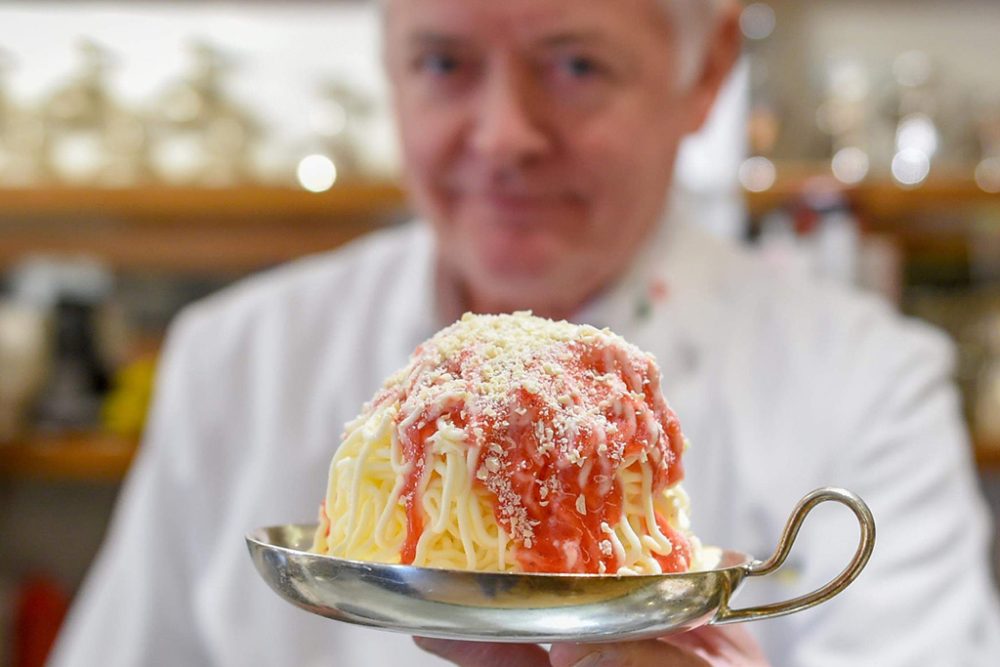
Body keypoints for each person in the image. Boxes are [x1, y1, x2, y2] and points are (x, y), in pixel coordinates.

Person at [50, 0, 1000, 665]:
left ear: (704, 71)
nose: (504, 135)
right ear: (388, 65)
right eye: (443, 63)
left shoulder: (870, 381)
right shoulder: (238, 357)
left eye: (576, 65)